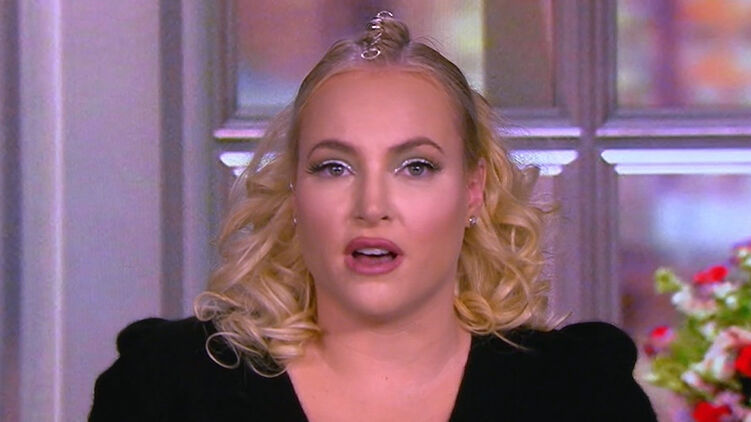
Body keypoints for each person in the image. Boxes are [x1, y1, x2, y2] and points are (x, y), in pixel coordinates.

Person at [89, 12, 657, 421]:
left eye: (416, 167)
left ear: (473, 190)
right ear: (293, 190)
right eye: (334, 167)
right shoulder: (166, 387)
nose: (371, 207)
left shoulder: (579, 392)